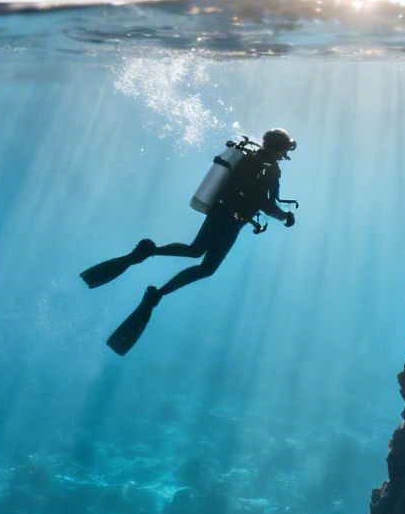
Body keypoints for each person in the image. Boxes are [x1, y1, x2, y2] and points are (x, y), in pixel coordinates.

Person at [83, 128, 297, 355]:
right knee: (207, 268)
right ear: (279, 149)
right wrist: (285, 217)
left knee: (195, 250)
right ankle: (157, 294)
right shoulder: (271, 170)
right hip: (233, 221)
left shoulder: (246, 157)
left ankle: (148, 252)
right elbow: (266, 204)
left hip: (218, 211)